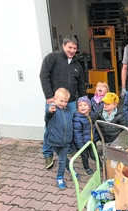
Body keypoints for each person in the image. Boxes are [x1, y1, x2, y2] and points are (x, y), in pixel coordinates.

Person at [39, 35, 87, 169]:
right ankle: (48, 154)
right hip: (54, 101)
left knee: (68, 126)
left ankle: (68, 148)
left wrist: (83, 100)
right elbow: (44, 76)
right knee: (51, 128)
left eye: (74, 48)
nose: (72, 50)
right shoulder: (52, 58)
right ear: (64, 46)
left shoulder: (78, 65)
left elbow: (81, 85)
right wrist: (49, 96)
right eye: (70, 47)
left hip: (70, 102)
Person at [44, 88, 80, 190]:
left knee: (62, 159)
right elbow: (47, 115)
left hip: (66, 142)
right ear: (55, 99)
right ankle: (71, 171)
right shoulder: (53, 110)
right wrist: (49, 110)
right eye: (61, 101)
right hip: (54, 141)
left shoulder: (68, 112)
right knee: (63, 159)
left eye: (65, 101)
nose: (63, 103)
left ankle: (60, 177)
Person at [73, 96, 101, 175]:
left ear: (89, 107)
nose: (82, 107)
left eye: (85, 105)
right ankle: (87, 168)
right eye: (80, 105)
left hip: (92, 141)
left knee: (94, 155)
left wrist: (97, 137)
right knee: (85, 157)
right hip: (83, 143)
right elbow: (77, 133)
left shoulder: (92, 115)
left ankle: (100, 164)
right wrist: (80, 145)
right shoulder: (77, 118)